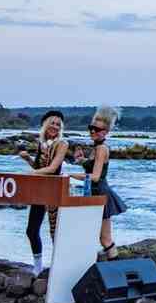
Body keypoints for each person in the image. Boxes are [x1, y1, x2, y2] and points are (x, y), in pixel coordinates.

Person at [70, 104, 127, 260]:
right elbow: (93, 169)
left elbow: (95, 177)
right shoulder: (96, 148)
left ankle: (114, 269)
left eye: (97, 130)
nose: (93, 131)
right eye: (91, 128)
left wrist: (69, 175)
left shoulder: (102, 149)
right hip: (94, 193)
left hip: (100, 194)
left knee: (105, 238)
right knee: (99, 236)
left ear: (106, 132)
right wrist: (82, 161)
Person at [19, 110, 69, 275]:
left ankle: (60, 269)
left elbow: (53, 168)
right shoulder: (42, 143)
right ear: (45, 125)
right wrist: (27, 159)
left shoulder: (62, 144)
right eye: (52, 123)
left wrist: (31, 174)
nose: (55, 126)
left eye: (58, 124)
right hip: (40, 191)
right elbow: (40, 169)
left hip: (55, 191)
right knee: (31, 230)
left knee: (55, 232)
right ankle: (38, 266)